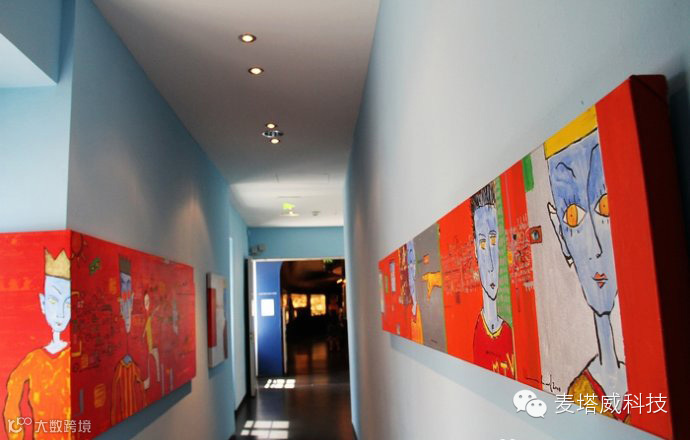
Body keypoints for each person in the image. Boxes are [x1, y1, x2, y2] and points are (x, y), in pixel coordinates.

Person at [545, 120, 628, 421]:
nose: (595, 248)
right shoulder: (578, 394)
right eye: (573, 216)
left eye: (604, 207)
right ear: (561, 235)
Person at [3, 249, 72, 440]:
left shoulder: (72, 357)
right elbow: (12, 395)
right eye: (53, 301)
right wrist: (16, 435)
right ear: (43, 303)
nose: (60, 313)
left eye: (68, 304)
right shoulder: (34, 360)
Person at [471, 182, 515, 378]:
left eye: (493, 240)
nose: (489, 263)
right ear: (475, 249)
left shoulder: (509, 334)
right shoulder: (477, 334)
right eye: (482, 244)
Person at [111, 257, 146, 425]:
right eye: (122, 284)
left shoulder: (135, 317)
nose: (125, 288)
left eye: (128, 284)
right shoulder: (117, 317)